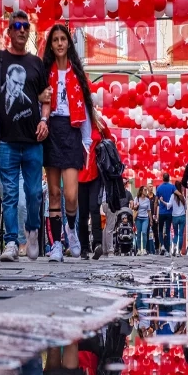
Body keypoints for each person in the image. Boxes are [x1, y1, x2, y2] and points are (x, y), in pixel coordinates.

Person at [0, 10, 50, 263]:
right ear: (8, 31)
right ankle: (10, 241)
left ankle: (31, 231)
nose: (22, 30)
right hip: (6, 141)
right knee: (9, 195)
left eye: (26, 26)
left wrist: (43, 119)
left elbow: (46, 98)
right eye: (17, 26)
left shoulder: (37, 64)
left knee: (33, 194)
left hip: (32, 143)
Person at [41, 24, 94, 262]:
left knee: (71, 194)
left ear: (68, 44)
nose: (60, 43)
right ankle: (56, 245)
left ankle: (71, 229)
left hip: (72, 131)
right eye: (55, 40)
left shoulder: (77, 73)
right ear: (51, 45)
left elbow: (86, 107)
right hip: (52, 129)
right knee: (54, 192)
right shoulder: (44, 72)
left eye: (63, 39)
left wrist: (86, 141)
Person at [77, 109, 111, 260]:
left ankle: (97, 244)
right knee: (83, 212)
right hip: (78, 173)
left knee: (94, 208)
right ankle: (84, 247)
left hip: (96, 173)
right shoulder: (76, 122)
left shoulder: (99, 122)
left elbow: (111, 141)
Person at [0, 142, 28, 256]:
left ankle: (22, 241)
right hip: (6, 159)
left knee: (22, 204)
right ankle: (11, 242)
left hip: (24, 162)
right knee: (8, 203)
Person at [163, 180, 186, 257]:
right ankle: (179, 252)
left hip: (175, 217)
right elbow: (186, 208)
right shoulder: (183, 197)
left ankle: (175, 247)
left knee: (175, 234)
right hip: (182, 216)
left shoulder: (172, 196)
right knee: (181, 234)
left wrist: (162, 201)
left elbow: (169, 205)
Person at [156, 173, 176, 256]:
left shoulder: (159, 188)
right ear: (169, 178)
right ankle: (167, 250)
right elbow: (178, 194)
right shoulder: (172, 187)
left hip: (161, 212)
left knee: (160, 230)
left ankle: (162, 245)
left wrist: (154, 213)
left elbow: (156, 202)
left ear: (162, 178)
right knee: (167, 230)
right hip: (169, 212)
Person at [133, 186, 151, 255]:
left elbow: (149, 210)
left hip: (145, 218)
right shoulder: (137, 199)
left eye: (146, 190)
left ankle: (144, 249)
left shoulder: (147, 200)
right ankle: (139, 249)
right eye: (145, 190)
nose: (146, 191)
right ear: (141, 191)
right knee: (139, 233)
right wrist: (136, 206)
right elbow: (134, 208)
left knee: (144, 232)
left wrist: (151, 219)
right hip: (138, 218)